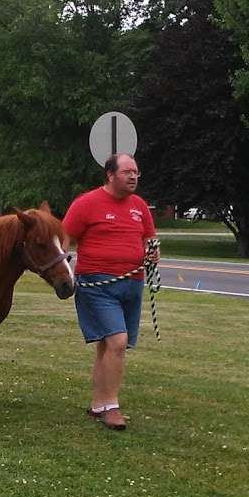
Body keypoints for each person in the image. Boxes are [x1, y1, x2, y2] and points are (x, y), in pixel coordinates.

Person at [62, 152, 157, 432]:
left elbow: (149, 237)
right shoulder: (86, 204)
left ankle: (98, 403)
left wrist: (152, 252)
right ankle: (111, 407)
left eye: (136, 172)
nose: (133, 177)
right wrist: (63, 266)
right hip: (97, 285)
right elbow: (64, 238)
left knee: (108, 345)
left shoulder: (140, 206)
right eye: (127, 172)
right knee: (117, 341)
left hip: (132, 283)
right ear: (110, 174)